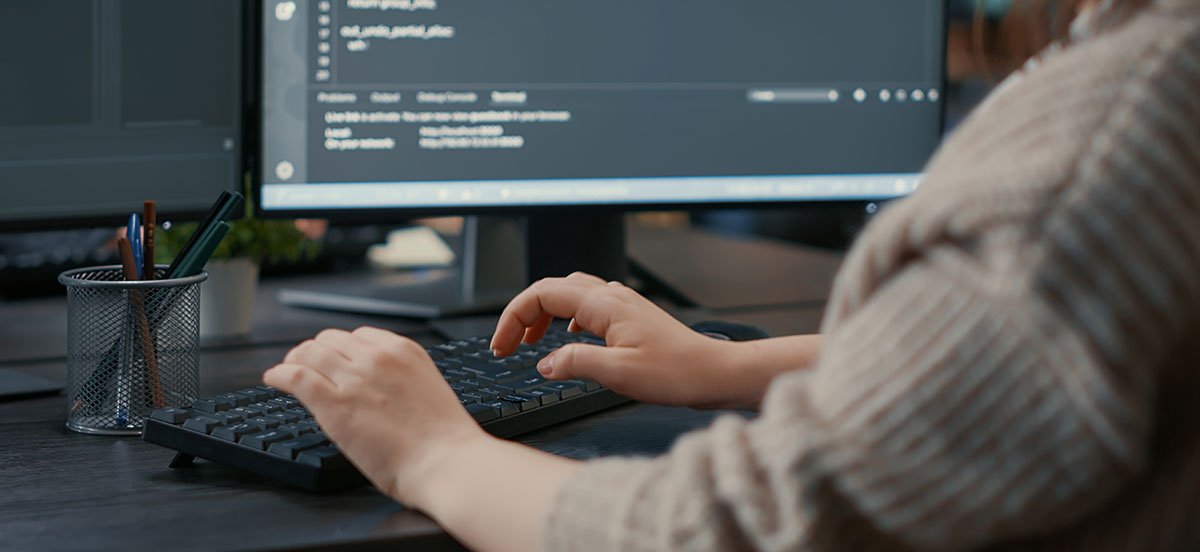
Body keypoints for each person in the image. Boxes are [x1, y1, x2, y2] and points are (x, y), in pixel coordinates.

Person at [263, 0, 1200, 550]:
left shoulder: (1117, 129)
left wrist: (437, 455)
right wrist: (724, 366)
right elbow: (1030, 366)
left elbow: (746, 530)